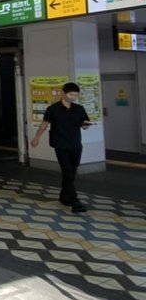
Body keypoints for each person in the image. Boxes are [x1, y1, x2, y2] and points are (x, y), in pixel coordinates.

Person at [30, 82, 91, 213]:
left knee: (71, 172)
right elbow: (44, 124)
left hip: (75, 145)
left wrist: (86, 125)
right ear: (63, 93)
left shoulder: (79, 109)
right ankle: (75, 202)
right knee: (68, 171)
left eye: (75, 95)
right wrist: (36, 138)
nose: (73, 97)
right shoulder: (53, 109)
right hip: (60, 145)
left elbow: (84, 123)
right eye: (71, 94)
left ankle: (64, 196)